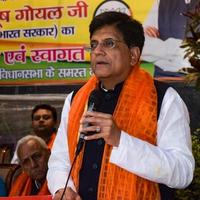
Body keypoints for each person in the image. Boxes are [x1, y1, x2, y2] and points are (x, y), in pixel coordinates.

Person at [47, 11, 195, 200]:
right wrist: (62, 188)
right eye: (94, 44)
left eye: (109, 43)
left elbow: (183, 172)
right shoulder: (76, 99)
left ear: (133, 55)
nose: (98, 51)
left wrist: (120, 140)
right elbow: (60, 160)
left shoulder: (164, 98)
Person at [142, 0, 199, 76]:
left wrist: (162, 50)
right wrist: (179, 50)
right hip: (162, 78)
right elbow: (144, 46)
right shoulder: (160, 2)